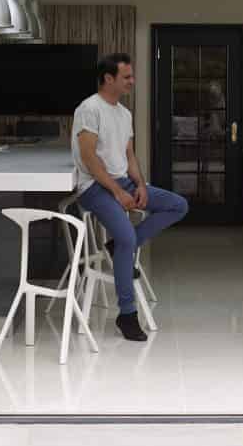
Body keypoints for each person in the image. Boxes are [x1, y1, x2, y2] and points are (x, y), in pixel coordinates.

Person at [73, 53, 189, 341]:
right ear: (108, 79)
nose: (132, 81)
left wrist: (140, 185)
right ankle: (127, 315)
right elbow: (89, 159)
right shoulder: (89, 109)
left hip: (123, 181)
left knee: (177, 205)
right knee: (127, 239)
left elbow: (129, 154)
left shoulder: (124, 114)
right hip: (94, 187)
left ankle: (120, 244)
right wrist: (116, 191)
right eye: (126, 77)